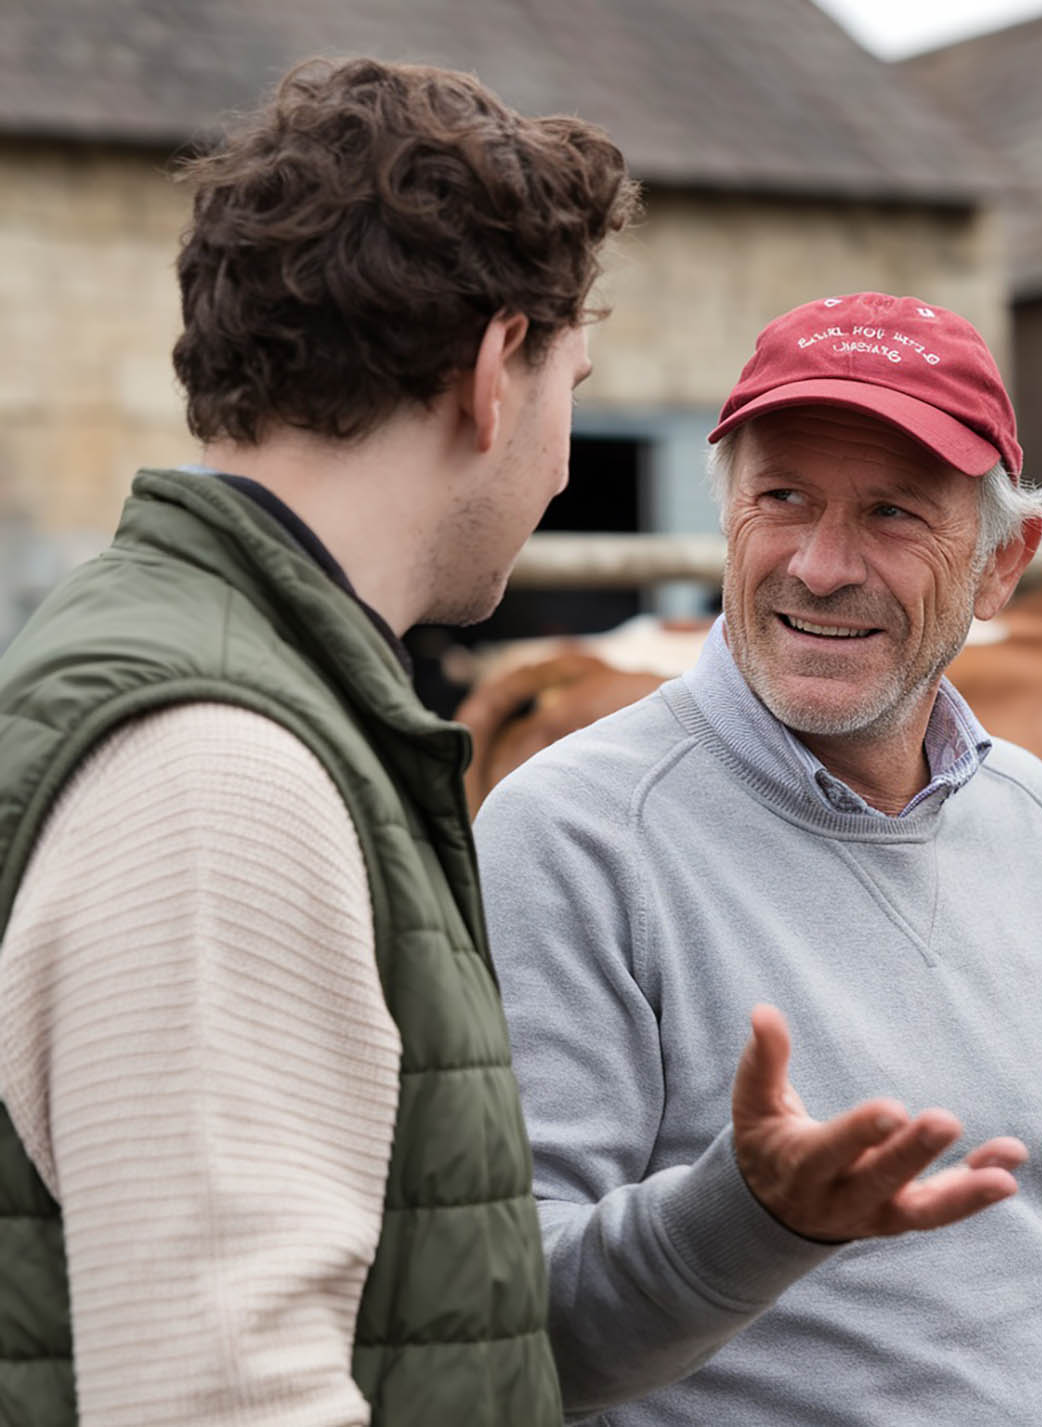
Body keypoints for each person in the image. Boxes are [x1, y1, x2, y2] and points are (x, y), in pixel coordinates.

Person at [475, 292, 1042, 1424]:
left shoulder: (1039, 819)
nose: (816, 563)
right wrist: (746, 1216)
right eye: (781, 497)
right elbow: (509, 1321)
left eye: (892, 513)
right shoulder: (571, 835)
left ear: (1003, 562)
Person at [0, 56, 634, 1427]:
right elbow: (221, 1394)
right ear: (492, 372)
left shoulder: (257, 696)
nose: (567, 456)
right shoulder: (215, 771)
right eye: (571, 382)